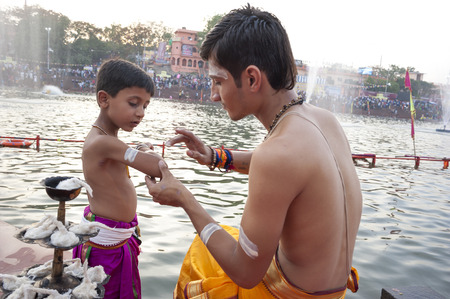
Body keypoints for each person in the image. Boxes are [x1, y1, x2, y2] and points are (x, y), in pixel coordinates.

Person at [147, 4, 362, 299]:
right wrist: (215, 156)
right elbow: (292, 171)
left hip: (282, 294)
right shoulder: (325, 120)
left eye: (218, 82)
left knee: (199, 259)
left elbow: (246, 274)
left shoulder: (276, 155)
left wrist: (184, 198)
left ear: (251, 78)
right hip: (331, 289)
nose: (213, 95)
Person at [72, 58, 163, 299]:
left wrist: (142, 149)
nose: (141, 113)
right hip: (105, 248)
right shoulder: (103, 142)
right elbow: (158, 167)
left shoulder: (110, 140)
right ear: (104, 99)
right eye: (133, 103)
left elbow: (135, 157)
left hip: (118, 238)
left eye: (145, 105)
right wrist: (148, 151)